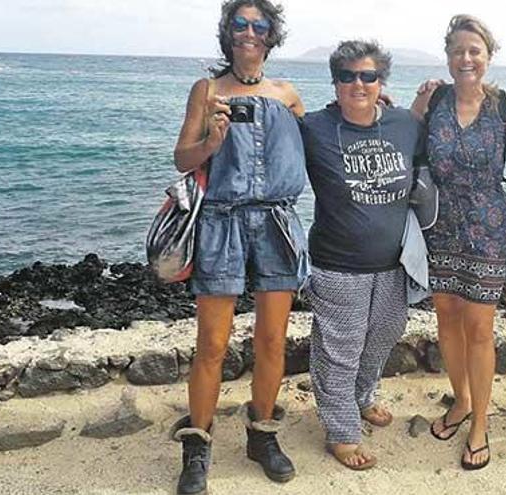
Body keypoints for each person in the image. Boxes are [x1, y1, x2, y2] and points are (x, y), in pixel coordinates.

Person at [170, 1, 309, 493]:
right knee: (211, 344)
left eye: (259, 25)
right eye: (240, 24)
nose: (249, 32)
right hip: (221, 224)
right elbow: (182, 158)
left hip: (276, 223)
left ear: (272, 36)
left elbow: (321, 143)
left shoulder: (288, 94)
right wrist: (211, 140)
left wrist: (381, 112)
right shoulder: (206, 91)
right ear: (228, 33)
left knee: (273, 340)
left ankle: (262, 435)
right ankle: (197, 446)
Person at [301, 39, 426, 471]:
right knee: (340, 348)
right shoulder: (314, 127)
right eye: (347, 76)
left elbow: (448, 123)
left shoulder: (404, 124)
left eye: (368, 76)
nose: (359, 83)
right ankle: (342, 431)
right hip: (337, 263)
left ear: (381, 81)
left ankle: (362, 397)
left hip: (393, 261)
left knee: (384, 334)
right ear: (334, 82)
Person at [409, 14, 506, 471]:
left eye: (475, 50)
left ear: (488, 56)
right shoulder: (434, 100)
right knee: (447, 317)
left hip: (488, 226)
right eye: (458, 50)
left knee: (479, 327)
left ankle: (479, 425)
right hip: (439, 222)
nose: (466, 58)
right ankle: (461, 401)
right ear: (449, 57)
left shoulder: (505, 106)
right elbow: (393, 130)